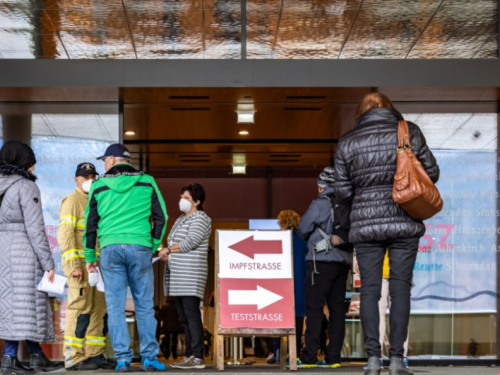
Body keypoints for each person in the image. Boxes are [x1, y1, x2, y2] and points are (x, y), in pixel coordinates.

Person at [334, 93, 439, 375]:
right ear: (390, 109)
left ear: (361, 112)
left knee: (370, 291)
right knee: (400, 289)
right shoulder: (408, 131)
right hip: (404, 220)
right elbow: (432, 172)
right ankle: (395, 360)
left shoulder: (347, 141)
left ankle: (371, 360)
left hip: (366, 226)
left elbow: (342, 192)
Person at [83, 143, 168, 372]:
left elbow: (90, 224)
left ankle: (122, 358)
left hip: (110, 249)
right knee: (144, 305)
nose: (103, 164)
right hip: (140, 247)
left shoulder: (99, 186)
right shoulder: (146, 181)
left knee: (115, 306)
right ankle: (149, 357)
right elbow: (162, 216)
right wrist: (152, 245)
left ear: (111, 159)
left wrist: (90, 255)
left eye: (104, 160)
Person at [0, 141, 63, 374]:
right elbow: (35, 228)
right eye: (30, 162)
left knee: (11, 305)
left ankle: (36, 355)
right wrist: (48, 263)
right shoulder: (26, 187)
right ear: (22, 162)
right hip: (22, 252)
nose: (33, 167)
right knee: (23, 305)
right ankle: (9, 359)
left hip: (2, 251)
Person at [58, 162, 116, 371]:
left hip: (96, 267)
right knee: (79, 310)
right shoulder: (72, 201)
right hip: (80, 266)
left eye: (93, 176)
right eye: (85, 177)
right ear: (77, 179)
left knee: (98, 310)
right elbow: (65, 235)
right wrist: (74, 264)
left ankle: (95, 354)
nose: (90, 180)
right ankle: (74, 357)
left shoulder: (96, 201)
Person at [296, 167, 352, 369]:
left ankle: (310, 356)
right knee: (337, 311)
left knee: (315, 309)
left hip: (320, 262)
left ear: (322, 186)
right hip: (342, 263)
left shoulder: (320, 203)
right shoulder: (348, 203)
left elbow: (303, 229)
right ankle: (334, 357)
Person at [159, 183, 212, 370]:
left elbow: (190, 242)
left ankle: (198, 357)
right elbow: (178, 244)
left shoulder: (201, 218)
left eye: (187, 198)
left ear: (197, 201)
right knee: (184, 318)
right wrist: (169, 255)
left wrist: (169, 249)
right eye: (182, 196)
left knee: (191, 315)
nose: (182, 200)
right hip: (179, 275)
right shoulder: (182, 219)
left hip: (191, 274)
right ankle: (190, 354)